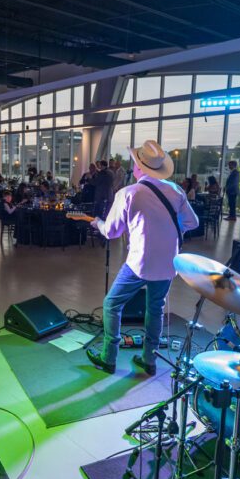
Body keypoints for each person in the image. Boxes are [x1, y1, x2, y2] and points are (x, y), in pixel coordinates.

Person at [86, 140, 199, 374]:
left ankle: (109, 357)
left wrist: (97, 222)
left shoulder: (128, 193)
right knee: (155, 309)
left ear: (138, 168)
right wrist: (166, 229)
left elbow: (112, 231)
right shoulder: (176, 190)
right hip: (169, 262)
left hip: (140, 262)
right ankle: (149, 360)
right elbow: (192, 222)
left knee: (111, 304)